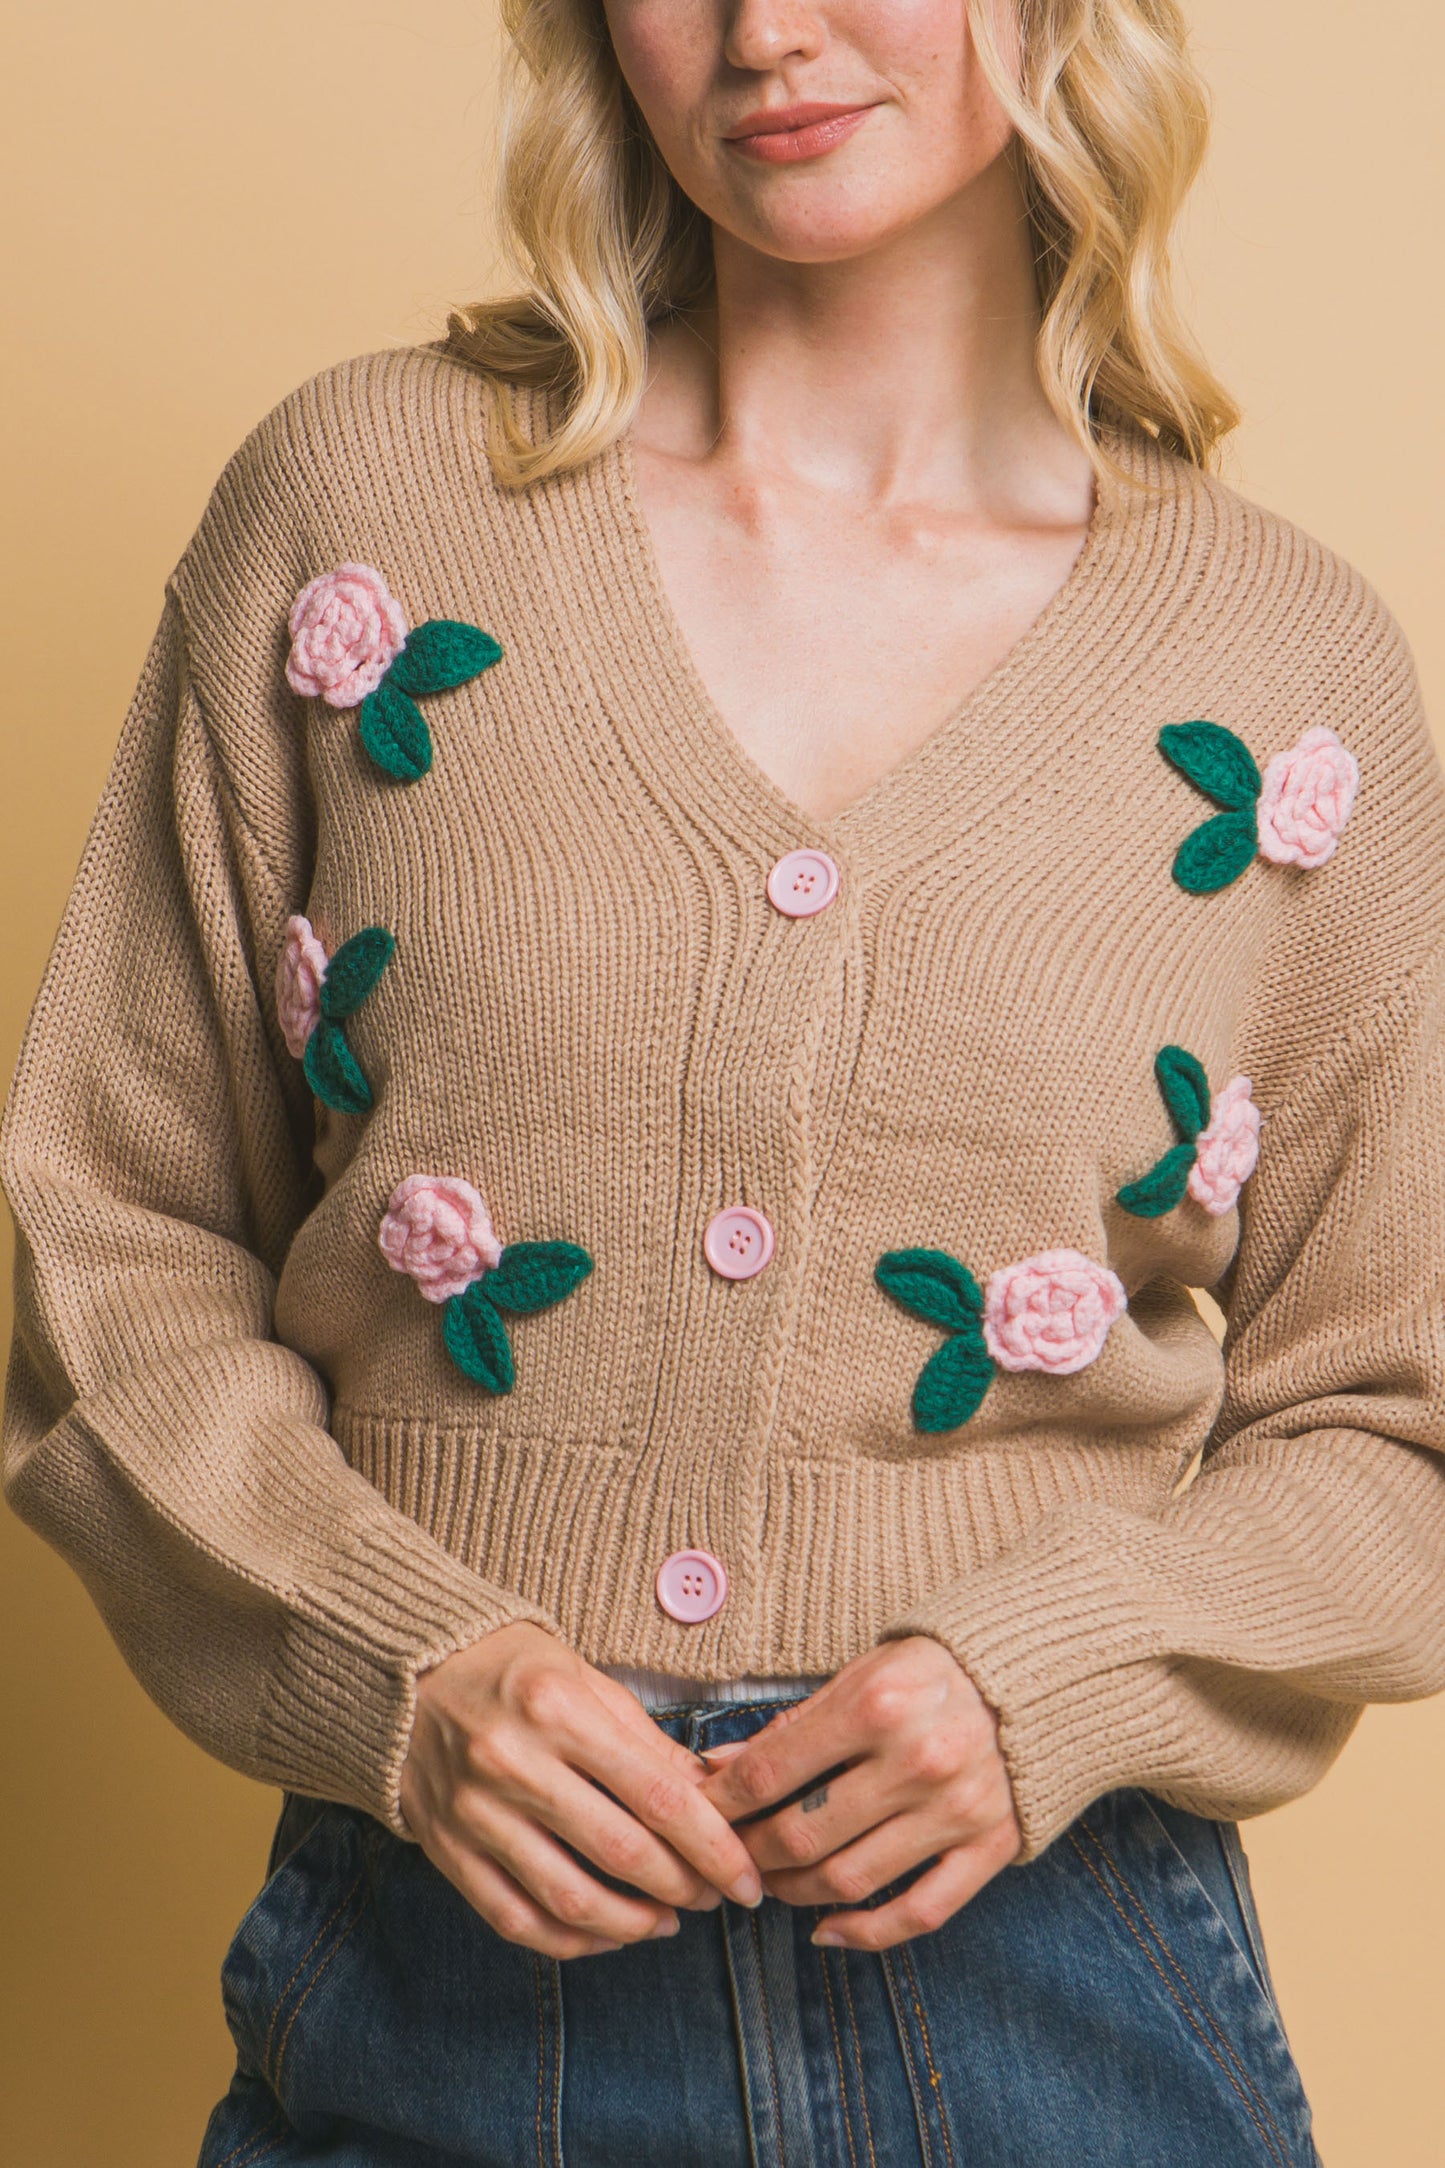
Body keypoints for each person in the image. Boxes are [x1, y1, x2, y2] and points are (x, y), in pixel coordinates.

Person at [4, 0, 1443, 2160]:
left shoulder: (1277, 688)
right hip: (436, 1998)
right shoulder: (366, 521)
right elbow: (106, 1226)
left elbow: (1398, 1422)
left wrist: (1045, 1670)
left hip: (1056, 2003)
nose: (769, 28)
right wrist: (401, 1653)